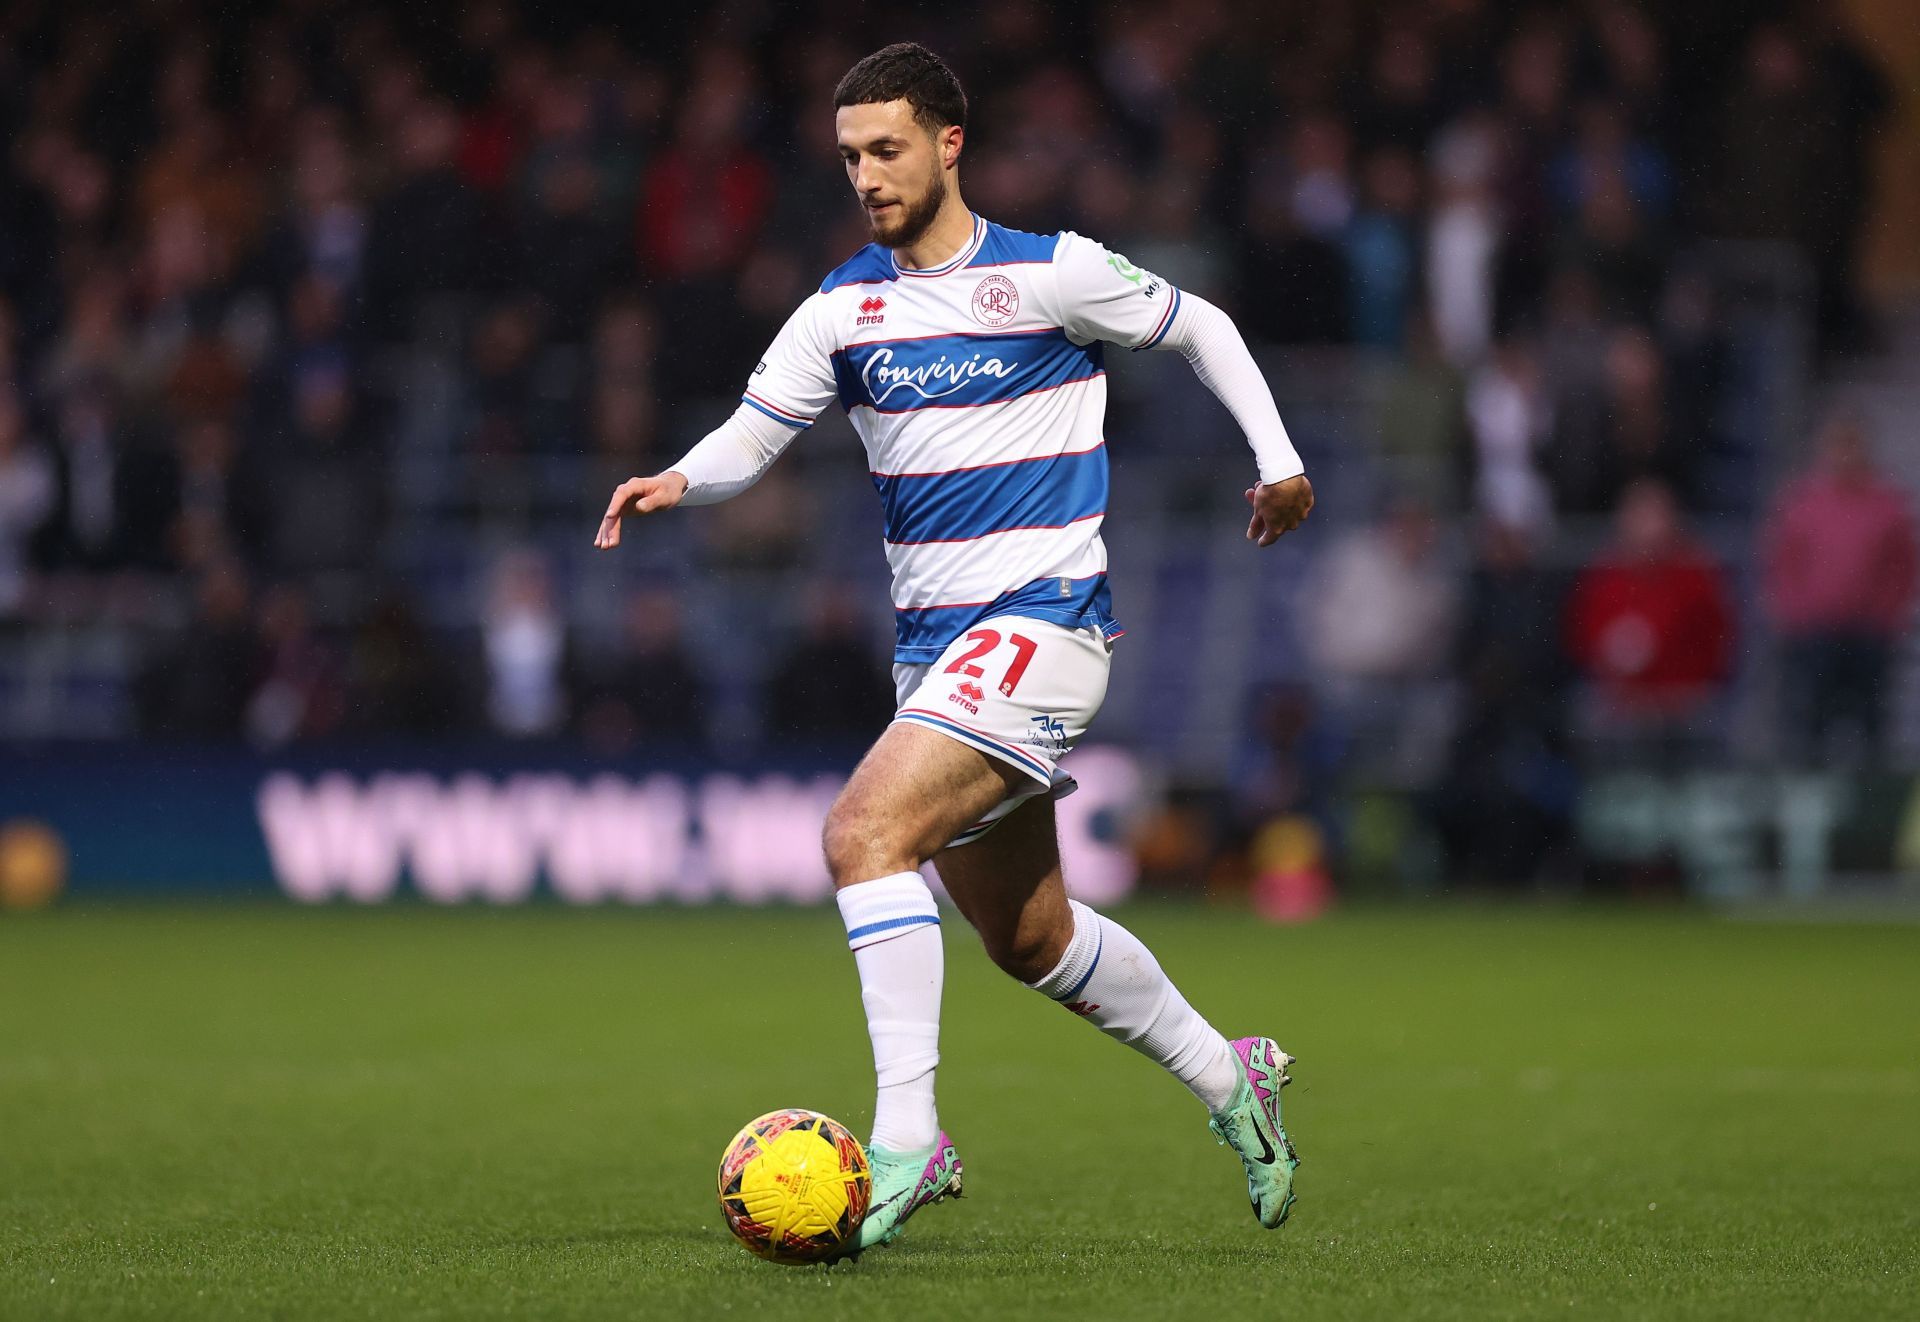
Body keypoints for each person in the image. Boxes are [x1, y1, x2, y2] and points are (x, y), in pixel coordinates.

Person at [595, 44, 1314, 1251]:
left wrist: (1280, 461)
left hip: (1045, 620)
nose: (868, 176)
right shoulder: (843, 307)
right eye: (850, 157)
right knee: (1030, 937)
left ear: (947, 145)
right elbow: (752, 432)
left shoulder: (1053, 274)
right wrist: (677, 478)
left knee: (860, 835)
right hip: (934, 652)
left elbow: (1208, 329)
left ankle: (910, 1135)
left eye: (887, 150)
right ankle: (1230, 1072)